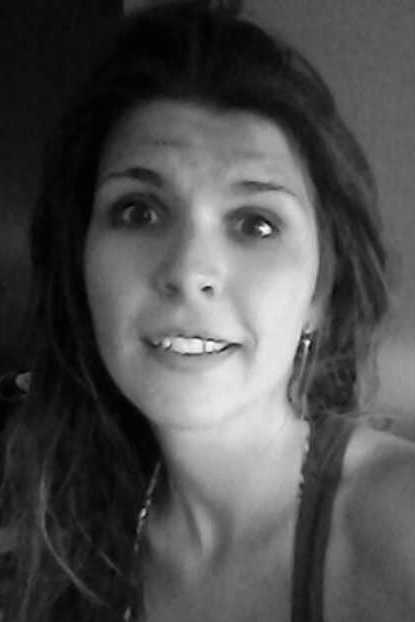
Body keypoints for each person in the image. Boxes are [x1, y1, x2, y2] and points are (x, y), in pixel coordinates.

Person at [1, 1, 414, 620]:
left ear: (320, 292)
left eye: (256, 223)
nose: (189, 270)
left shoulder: (400, 526)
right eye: (138, 211)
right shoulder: (61, 529)